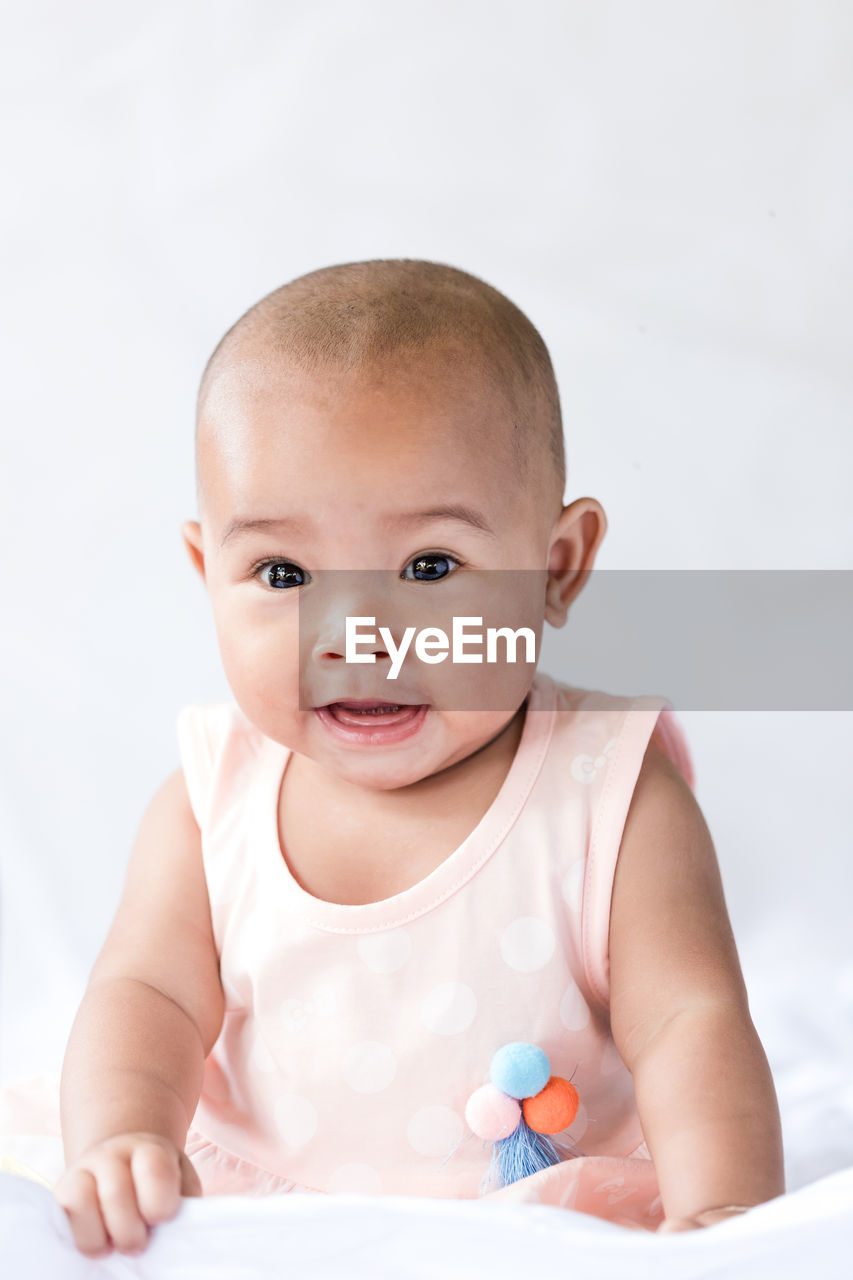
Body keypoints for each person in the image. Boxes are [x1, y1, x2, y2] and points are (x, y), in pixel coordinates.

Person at [18, 259, 787, 1255]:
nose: (357, 632)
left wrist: (725, 1216)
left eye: (429, 566)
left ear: (557, 566)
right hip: (259, 1227)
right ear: (209, 572)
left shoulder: (607, 790)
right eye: (283, 572)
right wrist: (124, 1133)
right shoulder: (214, 797)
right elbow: (145, 995)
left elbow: (689, 1016)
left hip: (534, 1233)